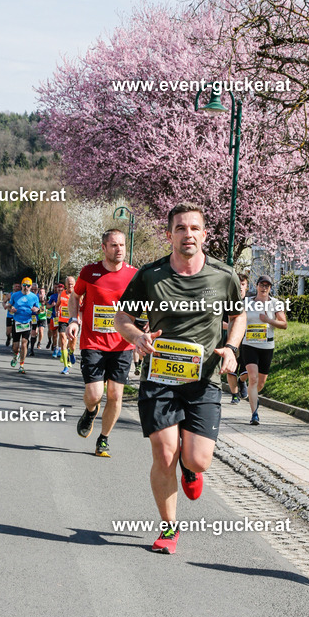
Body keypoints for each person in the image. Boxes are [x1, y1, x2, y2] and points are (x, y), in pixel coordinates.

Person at [114, 203, 246, 555]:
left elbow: (239, 316)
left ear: (204, 234)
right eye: (180, 228)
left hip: (203, 380)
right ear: (169, 234)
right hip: (159, 377)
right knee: (164, 452)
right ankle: (169, 527)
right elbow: (122, 316)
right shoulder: (151, 275)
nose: (187, 234)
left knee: (198, 459)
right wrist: (135, 336)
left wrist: (232, 347)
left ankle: (191, 470)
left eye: (194, 228)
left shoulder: (223, 275)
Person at [68, 230, 138, 457]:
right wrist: (73, 319)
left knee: (116, 395)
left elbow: (143, 304)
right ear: (104, 248)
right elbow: (75, 297)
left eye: (122, 245)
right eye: (114, 245)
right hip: (93, 342)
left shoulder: (134, 275)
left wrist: (142, 328)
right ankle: (90, 412)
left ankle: (103, 439)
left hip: (122, 344)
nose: (119, 250)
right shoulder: (89, 272)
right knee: (95, 394)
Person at [241, 274, 288, 425]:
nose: (264, 288)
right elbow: (238, 319)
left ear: (270, 288)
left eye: (267, 286)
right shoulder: (247, 302)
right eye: (262, 285)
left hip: (267, 345)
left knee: (260, 383)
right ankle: (254, 414)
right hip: (249, 344)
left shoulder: (275, 303)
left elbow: (284, 324)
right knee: (253, 378)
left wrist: (268, 320)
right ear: (257, 285)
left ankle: (252, 395)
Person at [224, 273, 250, 404]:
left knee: (248, 369)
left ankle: (242, 381)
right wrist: (234, 326)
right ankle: (234, 395)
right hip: (231, 341)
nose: (240, 287)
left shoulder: (252, 302)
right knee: (231, 369)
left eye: (243, 284)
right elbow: (219, 322)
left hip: (249, 341)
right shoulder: (226, 301)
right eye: (238, 284)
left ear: (247, 286)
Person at [7, 278, 40, 373]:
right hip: (17, 321)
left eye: (28, 286)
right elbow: (9, 306)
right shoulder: (15, 295)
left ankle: (21, 365)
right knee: (15, 346)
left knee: (24, 343)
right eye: (24, 285)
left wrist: (36, 310)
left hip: (27, 322)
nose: (26, 288)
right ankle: (16, 355)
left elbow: (39, 310)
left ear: (31, 287)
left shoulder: (34, 297)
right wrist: (11, 309)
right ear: (21, 285)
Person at [56, 277, 76, 374]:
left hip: (74, 321)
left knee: (72, 343)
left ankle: (71, 352)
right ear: (66, 284)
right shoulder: (62, 294)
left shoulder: (77, 294)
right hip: (63, 320)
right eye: (68, 283)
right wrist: (56, 311)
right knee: (63, 339)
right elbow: (57, 305)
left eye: (72, 283)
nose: (70, 285)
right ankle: (65, 366)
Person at [2, 282, 19, 346]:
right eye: (16, 286)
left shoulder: (21, 295)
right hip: (10, 315)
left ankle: (14, 344)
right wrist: (4, 306)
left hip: (17, 316)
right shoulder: (9, 295)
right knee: (8, 332)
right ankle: (8, 337)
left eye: (18, 286)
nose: (17, 288)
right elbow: (4, 302)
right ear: (13, 287)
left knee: (15, 331)